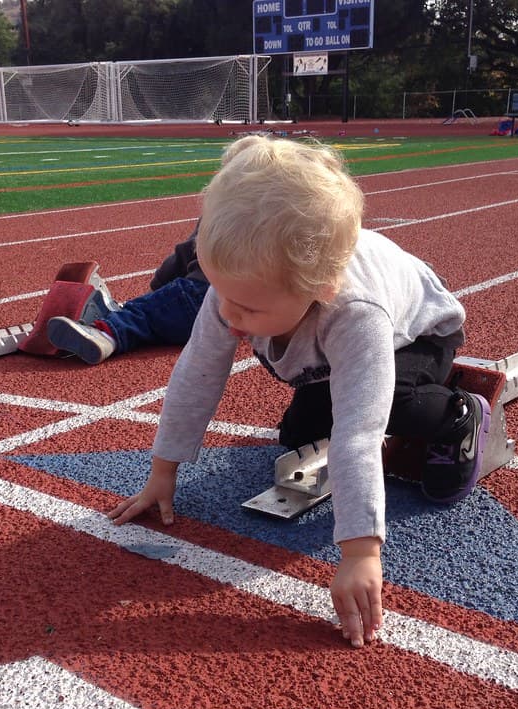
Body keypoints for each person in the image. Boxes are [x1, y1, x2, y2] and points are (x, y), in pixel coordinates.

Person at [107, 135, 491, 649]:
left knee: (386, 408)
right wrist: (162, 472)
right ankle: (337, 390)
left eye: (247, 309)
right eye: (223, 296)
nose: (229, 316)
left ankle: (458, 414)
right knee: (298, 437)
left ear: (320, 288)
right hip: (322, 351)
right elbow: (197, 373)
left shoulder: (355, 313)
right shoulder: (237, 292)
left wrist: (360, 554)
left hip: (416, 335)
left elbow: (358, 434)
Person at [46, 222, 208, 364]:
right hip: (228, 313)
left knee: (142, 316)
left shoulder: (220, 205)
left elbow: (185, 254)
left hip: (201, 294)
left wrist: (154, 292)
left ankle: (106, 333)